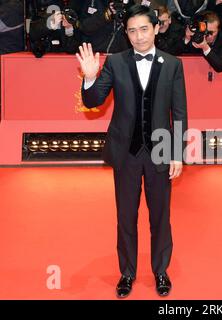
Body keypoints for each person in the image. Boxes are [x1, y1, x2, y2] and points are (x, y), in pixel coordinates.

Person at [76, 4, 187, 298]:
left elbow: (179, 112)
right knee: (125, 216)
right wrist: (89, 77)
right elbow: (93, 101)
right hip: (126, 152)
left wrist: (177, 153)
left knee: (160, 216)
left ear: (156, 29)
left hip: (161, 151)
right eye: (132, 31)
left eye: (143, 29)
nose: (138, 36)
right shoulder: (115, 63)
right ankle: (127, 273)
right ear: (126, 33)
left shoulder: (173, 64)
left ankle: (160, 271)